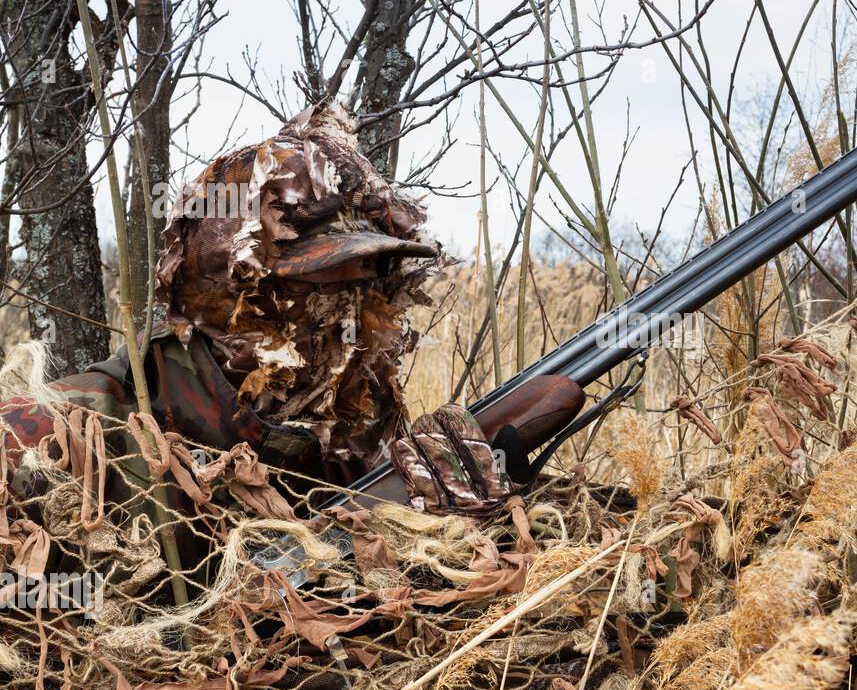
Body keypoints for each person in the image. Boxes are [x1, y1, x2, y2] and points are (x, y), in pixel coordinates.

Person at [0, 100, 511, 581]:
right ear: (224, 293)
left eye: (370, 283)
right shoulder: (51, 442)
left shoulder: (350, 452)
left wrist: (442, 535)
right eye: (319, 282)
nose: (352, 313)